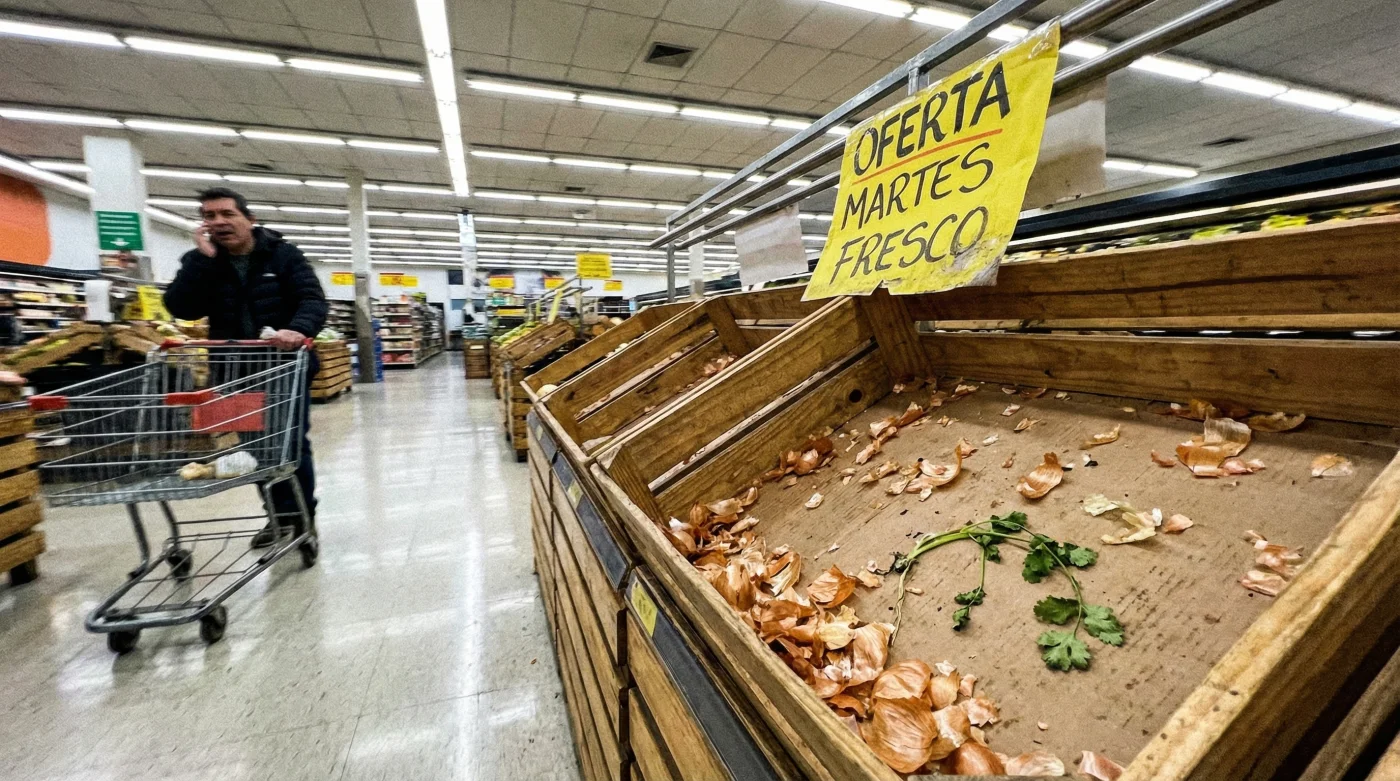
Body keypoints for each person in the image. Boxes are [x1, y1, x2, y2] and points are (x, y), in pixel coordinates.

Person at [164, 187, 328, 548]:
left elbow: (312, 300)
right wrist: (202, 261)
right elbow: (181, 308)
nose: (218, 222)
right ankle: (277, 515)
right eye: (209, 216)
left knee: (290, 444)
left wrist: (297, 329)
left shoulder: (283, 255)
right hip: (235, 371)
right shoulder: (201, 261)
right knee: (256, 448)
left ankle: (302, 517)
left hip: (286, 368)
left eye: (227, 214)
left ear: (249, 219)